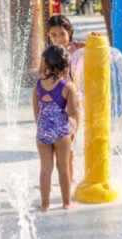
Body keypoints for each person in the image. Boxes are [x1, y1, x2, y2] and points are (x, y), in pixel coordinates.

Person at [33, 45, 80, 211]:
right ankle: (66, 203)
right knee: (63, 168)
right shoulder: (68, 87)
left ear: (45, 62)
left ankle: (45, 204)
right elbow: (73, 113)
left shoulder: (38, 82)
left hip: (43, 132)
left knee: (45, 169)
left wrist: (41, 127)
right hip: (61, 133)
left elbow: (36, 109)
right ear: (66, 65)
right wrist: (78, 113)